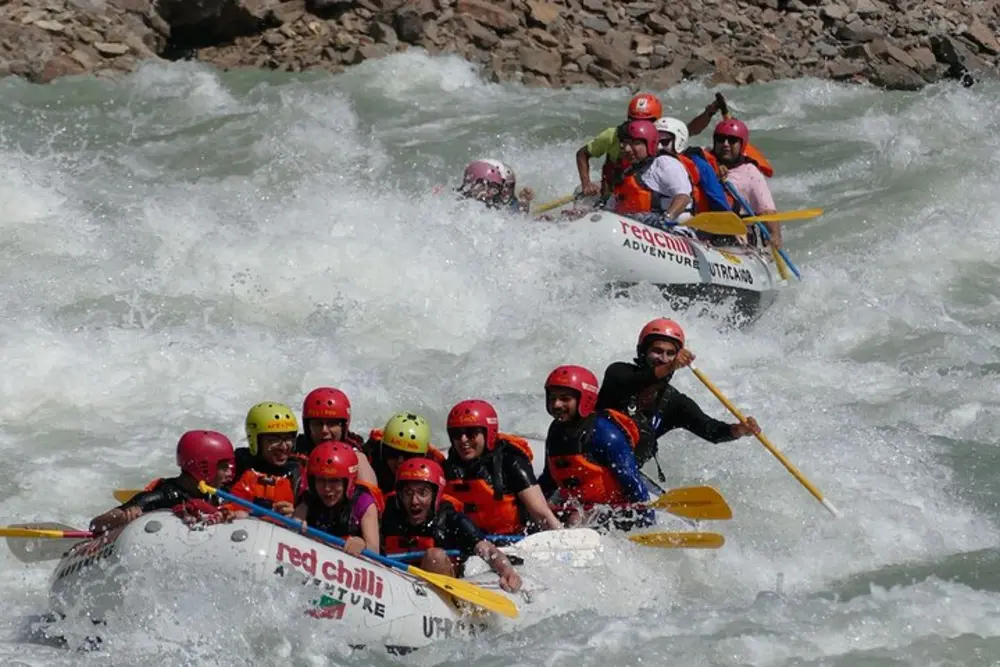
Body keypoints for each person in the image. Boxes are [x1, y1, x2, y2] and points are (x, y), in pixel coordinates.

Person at [594, 318, 761, 474]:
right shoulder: (618, 372)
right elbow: (637, 379)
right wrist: (671, 366)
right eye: (657, 351)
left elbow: (711, 430)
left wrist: (739, 430)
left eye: (670, 353)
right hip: (586, 461)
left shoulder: (673, 402)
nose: (664, 359)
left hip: (622, 475)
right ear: (643, 352)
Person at [539, 365, 654, 531]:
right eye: (552, 398)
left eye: (565, 399)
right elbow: (549, 479)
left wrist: (648, 523)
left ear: (584, 399)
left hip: (613, 510)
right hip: (576, 505)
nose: (556, 404)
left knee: (576, 518)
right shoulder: (555, 430)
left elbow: (631, 482)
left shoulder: (605, 433)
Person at [381, 457, 522, 593]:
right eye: (408, 493)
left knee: (434, 557)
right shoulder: (389, 515)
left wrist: (507, 571)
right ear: (400, 495)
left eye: (422, 493)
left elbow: (487, 549)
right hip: (398, 583)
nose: (414, 501)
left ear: (435, 496)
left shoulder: (451, 519)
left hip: (443, 587)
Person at [442, 399, 563, 536]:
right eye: (456, 434)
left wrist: (563, 543)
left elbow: (542, 514)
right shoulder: (448, 469)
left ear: (488, 433)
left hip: (513, 541)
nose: (463, 440)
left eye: (471, 433)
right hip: (469, 545)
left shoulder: (511, 462)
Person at [575, 92, 723, 199]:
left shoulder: (661, 134)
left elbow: (689, 130)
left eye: (648, 121)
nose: (640, 125)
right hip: (613, 193)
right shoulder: (612, 135)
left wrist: (709, 113)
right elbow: (582, 153)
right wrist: (586, 183)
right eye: (634, 120)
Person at [89, 430, 243, 534]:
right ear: (204, 467)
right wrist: (122, 517)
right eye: (223, 467)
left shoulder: (220, 496)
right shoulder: (166, 494)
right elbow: (95, 524)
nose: (229, 473)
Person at [292, 441, 380, 556]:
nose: (327, 488)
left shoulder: (364, 503)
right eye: (320, 480)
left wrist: (362, 544)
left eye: (334, 481)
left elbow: (374, 551)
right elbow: (293, 527)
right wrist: (295, 529)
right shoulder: (308, 499)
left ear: (348, 482)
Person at [608, 120, 693, 229]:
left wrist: (666, 218)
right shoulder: (628, 172)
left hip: (675, 230)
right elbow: (610, 208)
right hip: (642, 230)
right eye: (625, 143)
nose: (627, 149)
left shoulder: (665, 163)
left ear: (650, 144)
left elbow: (683, 197)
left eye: (635, 143)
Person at [710, 118, 781, 247]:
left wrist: (774, 237)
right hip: (704, 230)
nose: (725, 144)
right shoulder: (704, 161)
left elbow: (767, 211)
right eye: (720, 139)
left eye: (732, 140)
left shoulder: (750, 173)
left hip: (737, 236)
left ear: (741, 145)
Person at [230, 402, 305, 517]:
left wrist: (296, 516)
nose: (284, 447)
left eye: (288, 438)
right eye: (274, 439)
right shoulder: (236, 467)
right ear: (255, 440)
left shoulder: (298, 475)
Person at [295, 386, 378, 488]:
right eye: (317, 424)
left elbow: (372, 497)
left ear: (344, 426)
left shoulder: (357, 458)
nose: (324, 430)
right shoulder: (296, 451)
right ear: (307, 426)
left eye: (331, 423)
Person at [363, 412, 445, 495]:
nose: (400, 461)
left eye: (408, 456)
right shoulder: (369, 458)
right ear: (382, 450)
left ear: (422, 457)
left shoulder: (435, 474)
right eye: (393, 452)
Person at [456, 159, 535, 213]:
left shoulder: (493, 204)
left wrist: (523, 205)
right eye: (483, 185)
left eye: (495, 188)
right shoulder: (456, 201)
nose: (490, 193)